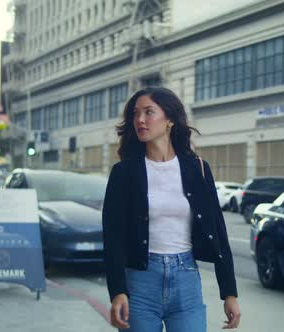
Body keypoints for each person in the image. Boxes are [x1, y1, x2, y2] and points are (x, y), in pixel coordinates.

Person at [102, 87, 241, 331]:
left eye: (149, 112)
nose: (140, 120)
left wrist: (229, 292)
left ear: (169, 120)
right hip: (140, 282)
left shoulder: (197, 168)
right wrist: (118, 291)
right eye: (136, 114)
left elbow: (218, 230)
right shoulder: (124, 173)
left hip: (186, 280)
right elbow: (113, 238)